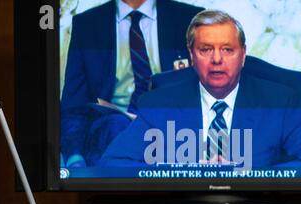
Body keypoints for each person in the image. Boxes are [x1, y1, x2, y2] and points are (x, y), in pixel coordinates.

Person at [100, 10, 301, 169]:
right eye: (205, 49)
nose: (216, 59)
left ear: (243, 55)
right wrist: (184, 170)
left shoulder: (279, 102)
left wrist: (251, 173)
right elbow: (113, 162)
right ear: (192, 56)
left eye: (227, 49)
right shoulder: (162, 103)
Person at [61, 0, 204, 167]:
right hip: (113, 127)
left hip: (175, 126)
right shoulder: (87, 24)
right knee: (115, 127)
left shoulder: (190, 18)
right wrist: (74, 156)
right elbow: (74, 103)